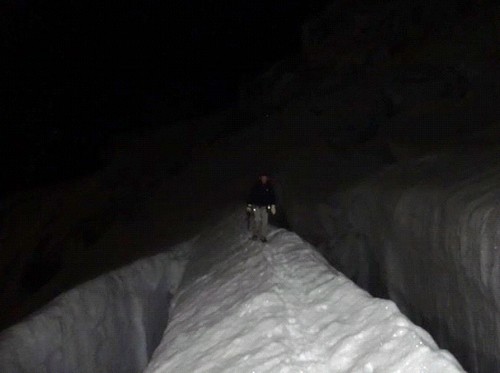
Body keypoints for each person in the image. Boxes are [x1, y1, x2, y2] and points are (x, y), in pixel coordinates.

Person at [246, 173, 276, 242]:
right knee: (257, 220)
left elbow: (272, 196)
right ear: (260, 178)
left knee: (265, 222)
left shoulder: (269, 186)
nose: (264, 179)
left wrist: (273, 206)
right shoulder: (256, 186)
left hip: (265, 207)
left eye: (265, 178)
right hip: (256, 206)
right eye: (263, 177)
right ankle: (255, 234)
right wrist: (249, 205)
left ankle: (263, 236)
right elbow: (251, 196)